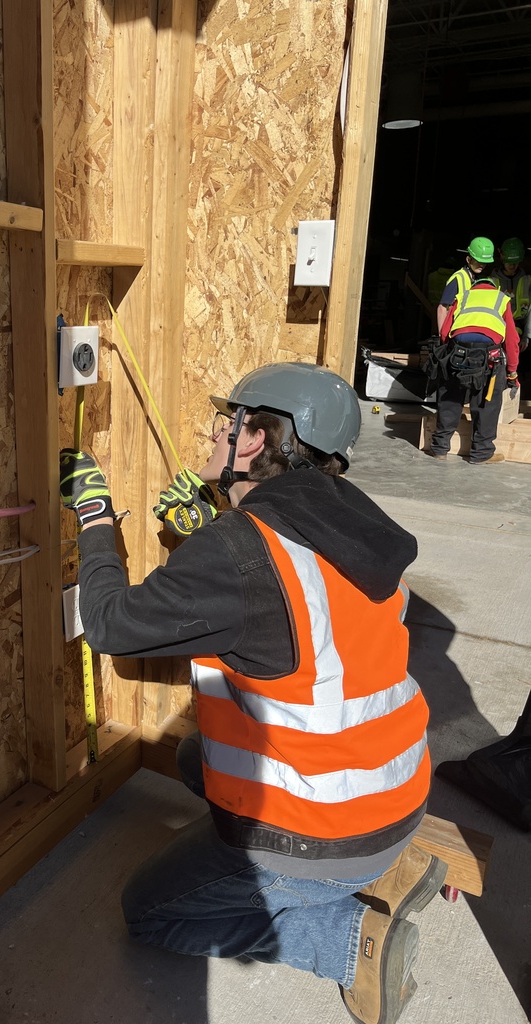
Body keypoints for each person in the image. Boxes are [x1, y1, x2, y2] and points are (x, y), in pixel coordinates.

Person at [60, 362, 446, 1024]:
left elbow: (111, 627)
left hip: (321, 833)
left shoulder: (241, 552)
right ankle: (378, 868)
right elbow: (283, 604)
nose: (212, 433)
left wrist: (96, 516)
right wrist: (215, 518)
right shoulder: (351, 522)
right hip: (395, 790)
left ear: (253, 440)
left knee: (150, 912)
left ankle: (350, 942)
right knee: (191, 758)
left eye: (223, 422)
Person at [428, 275, 520, 464]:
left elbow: (445, 332)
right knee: (487, 401)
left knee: (450, 395)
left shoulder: (462, 296)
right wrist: (512, 372)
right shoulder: (502, 298)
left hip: (458, 352)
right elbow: (511, 341)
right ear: (494, 288)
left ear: (475, 287)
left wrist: (450, 356)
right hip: (489, 357)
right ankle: (481, 453)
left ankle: (440, 448)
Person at [436, 236, 495, 333]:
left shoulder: (481, 279)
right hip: (457, 332)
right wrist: (442, 339)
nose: (482, 265)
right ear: (468, 259)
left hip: (473, 331)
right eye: (478, 261)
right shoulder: (458, 278)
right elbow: (442, 309)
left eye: (484, 263)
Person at [491, 237, 531, 352]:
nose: (512, 266)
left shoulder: (527, 281)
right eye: (509, 262)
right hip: (499, 329)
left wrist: (526, 336)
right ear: (502, 257)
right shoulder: (493, 281)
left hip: (521, 329)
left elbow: (530, 310)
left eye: (516, 263)